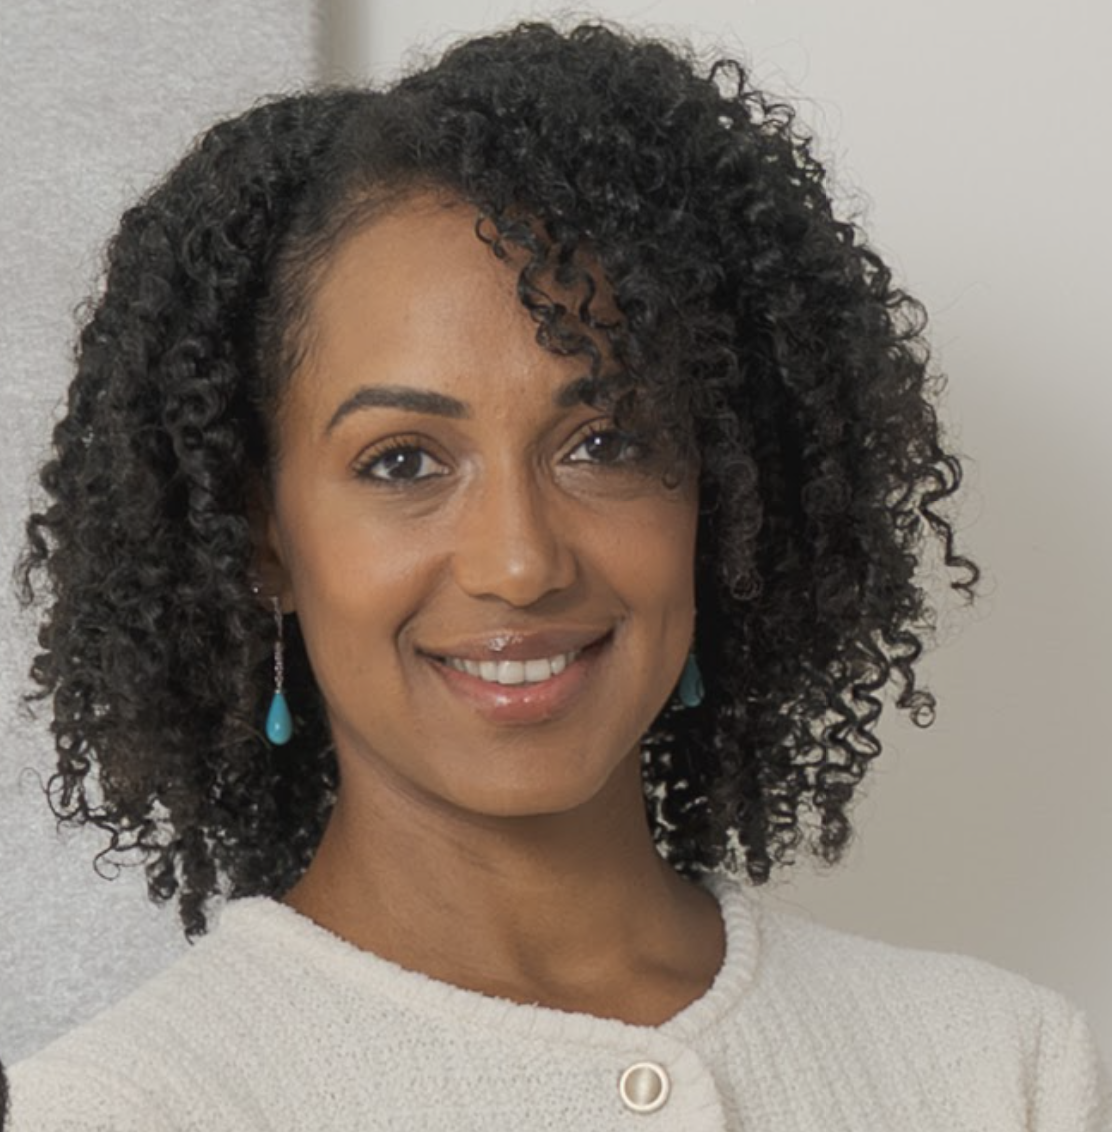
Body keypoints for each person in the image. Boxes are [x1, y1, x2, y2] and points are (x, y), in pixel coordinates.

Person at [7, 20, 1108, 1132]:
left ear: (712, 495)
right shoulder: (129, 1108)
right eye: (403, 462)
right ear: (262, 539)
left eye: (605, 443)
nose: (520, 562)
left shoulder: (994, 1067)